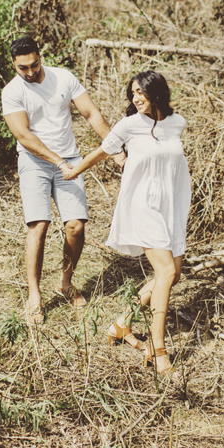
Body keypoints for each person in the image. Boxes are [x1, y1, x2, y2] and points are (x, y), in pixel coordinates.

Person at [63, 70, 189, 378]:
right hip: (143, 205)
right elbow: (102, 151)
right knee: (165, 272)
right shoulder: (130, 125)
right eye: (132, 93)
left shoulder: (177, 123)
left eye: (140, 92)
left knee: (173, 275)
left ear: (156, 92)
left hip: (172, 206)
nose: (136, 97)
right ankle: (158, 350)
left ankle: (121, 324)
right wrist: (74, 171)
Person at [2, 36, 126, 325]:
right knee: (39, 225)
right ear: (13, 65)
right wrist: (58, 162)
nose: (30, 72)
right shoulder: (12, 91)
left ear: (40, 56)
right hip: (34, 161)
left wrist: (116, 149)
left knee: (76, 226)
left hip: (69, 158)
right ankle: (34, 295)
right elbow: (23, 135)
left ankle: (66, 282)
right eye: (23, 68)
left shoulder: (64, 78)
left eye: (34, 65)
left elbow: (90, 113)